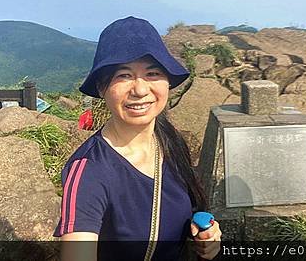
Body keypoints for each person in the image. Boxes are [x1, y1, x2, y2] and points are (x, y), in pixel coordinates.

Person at [54, 16, 221, 261]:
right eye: (124, 75)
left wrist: (204, 235)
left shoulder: (171, 143)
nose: (140, 90)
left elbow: (183, 215)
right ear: (102, 88)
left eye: (152, 73)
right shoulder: (89, 171)